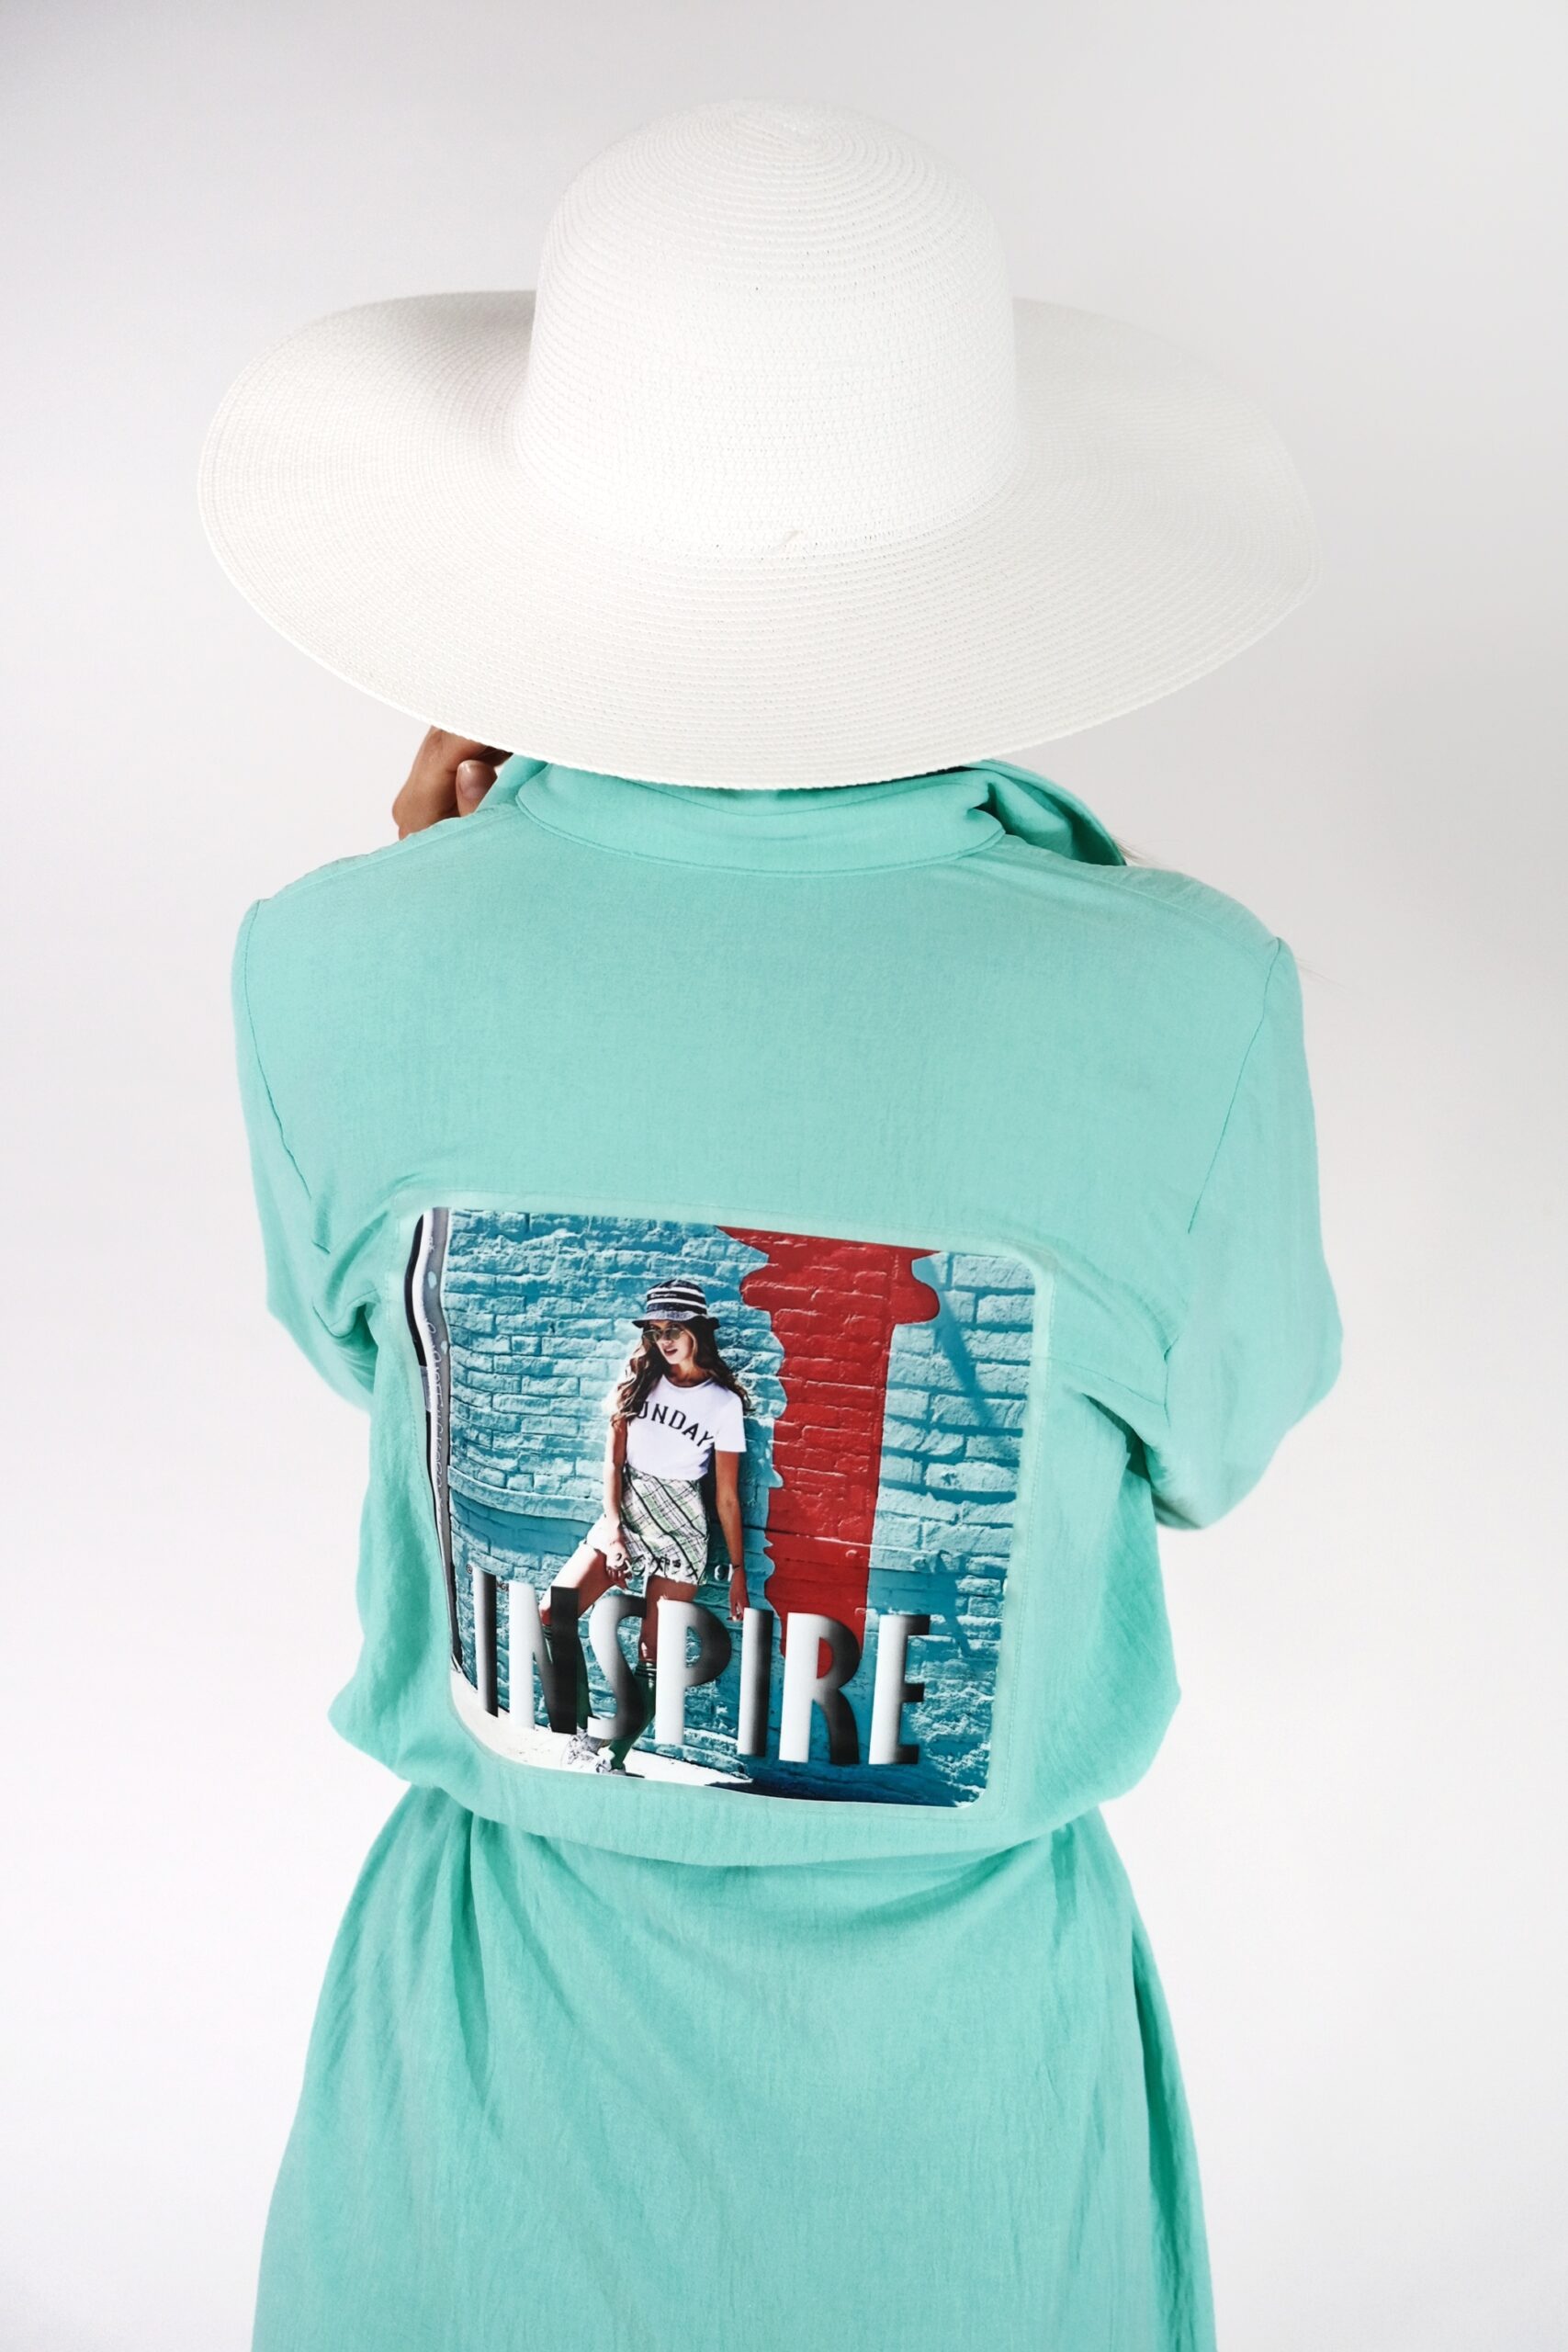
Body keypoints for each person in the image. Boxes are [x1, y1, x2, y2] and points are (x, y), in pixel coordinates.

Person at [205, 97, 1339, 2352]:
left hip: (471, 2136)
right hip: (966, 2159)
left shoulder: (330, 959)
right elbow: (1214, 1442)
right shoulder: (1186, 997)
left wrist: (453, 907)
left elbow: (377, 1368)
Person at [547, 1280, 750, 1772]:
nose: (664, 1339)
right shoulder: (637, 1377)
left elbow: (726, 1495)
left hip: (682, 1527)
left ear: (697, 1331)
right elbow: (612, 1464)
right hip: (628, 1512)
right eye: (656, 1330)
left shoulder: (723, 1402)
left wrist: (738, 1570)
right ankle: (581, 1733)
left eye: (674, 1329)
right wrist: (615, 1531)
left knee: (653, 1654)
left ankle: (613, 1756)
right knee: (554, 1612)